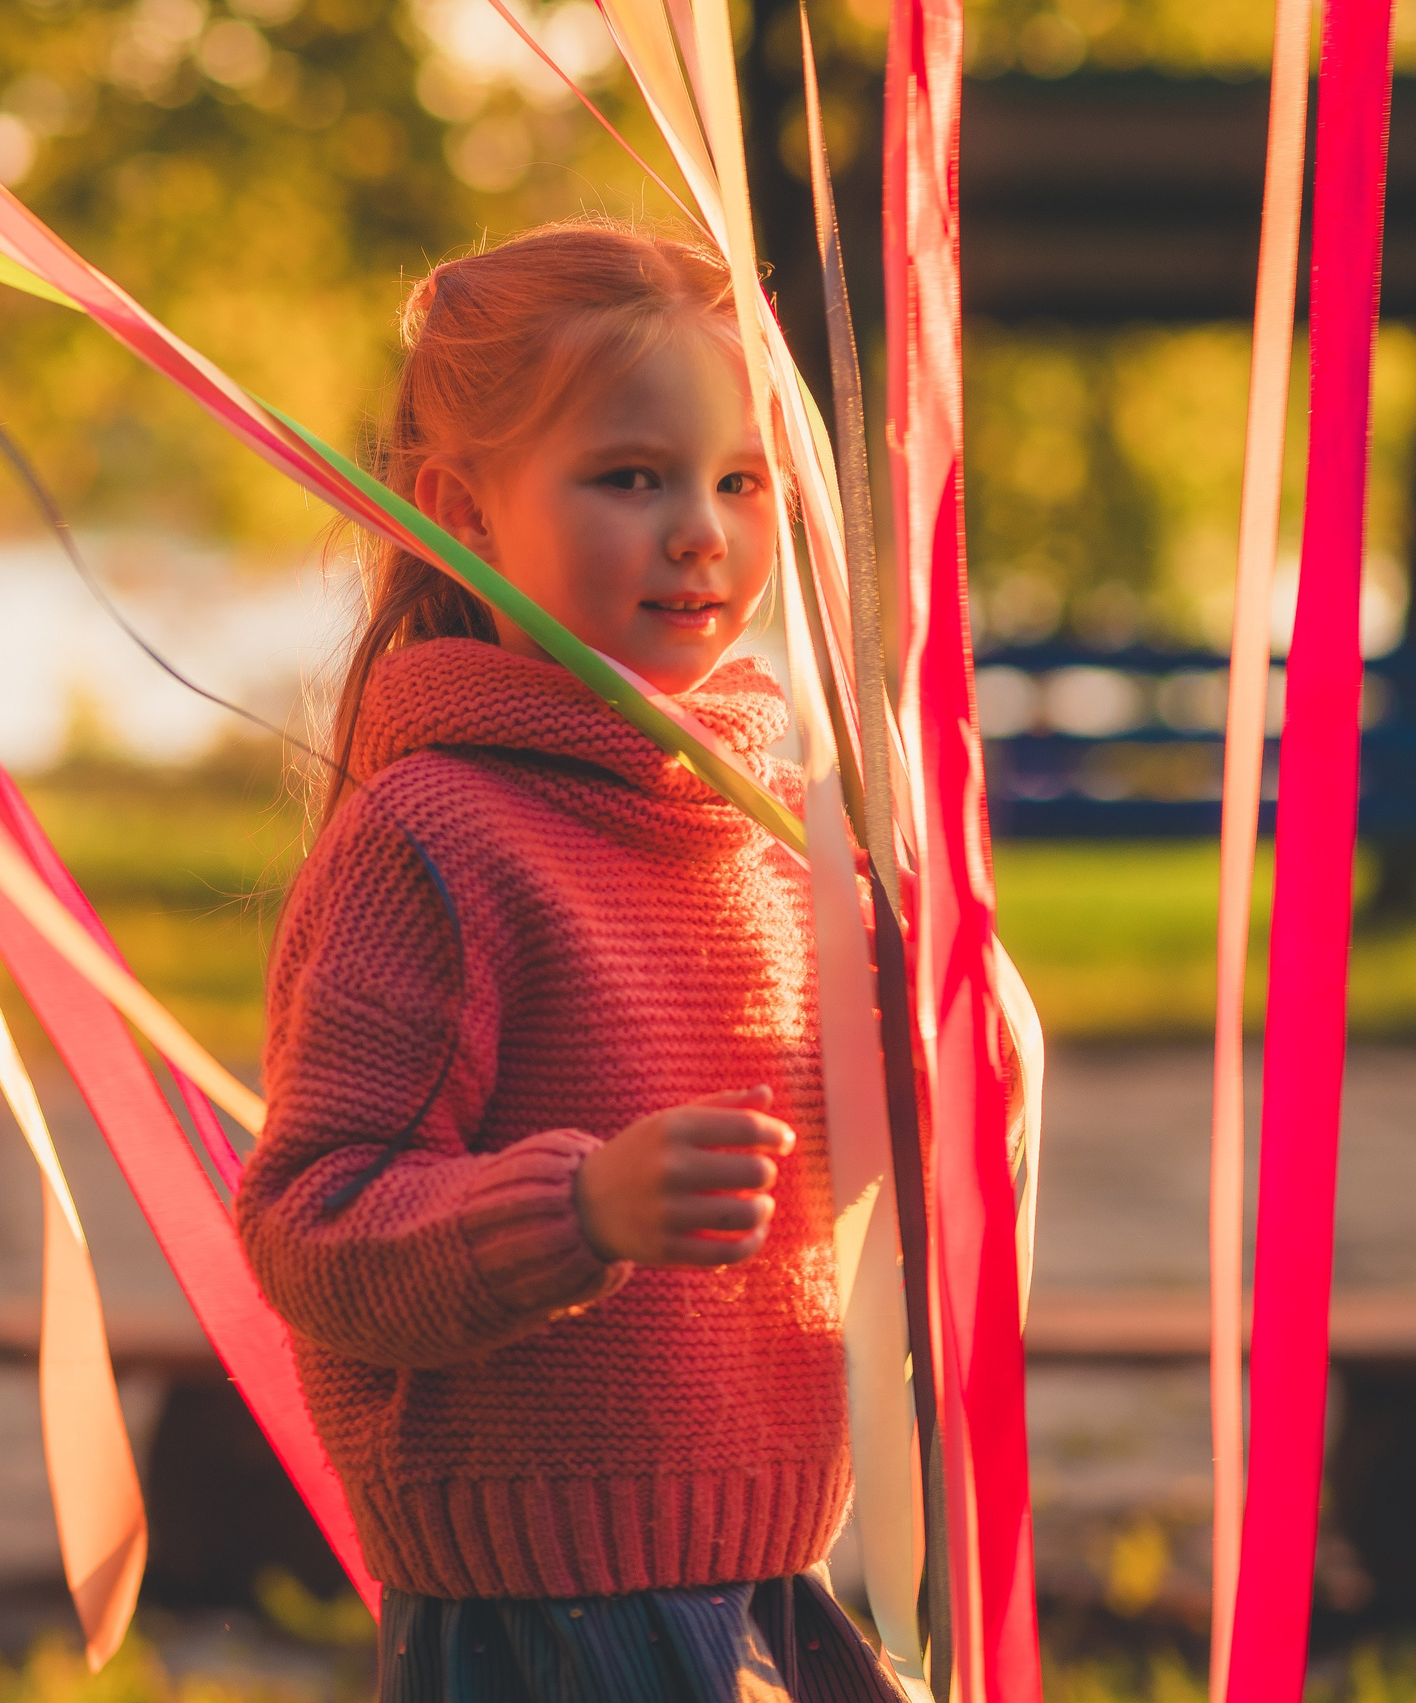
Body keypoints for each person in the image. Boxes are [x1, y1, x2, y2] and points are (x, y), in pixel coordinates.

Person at [235, 218, 901, 1703]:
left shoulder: (782, 831)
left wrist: (946, 1063)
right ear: (461, 511)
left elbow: (856, 1167)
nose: (700, 533)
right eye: (630, 477)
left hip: (773, 1567)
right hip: (539, 1611)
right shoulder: (435, 836)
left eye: (741, 480)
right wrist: (579, 1208)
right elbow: (309, 1225)